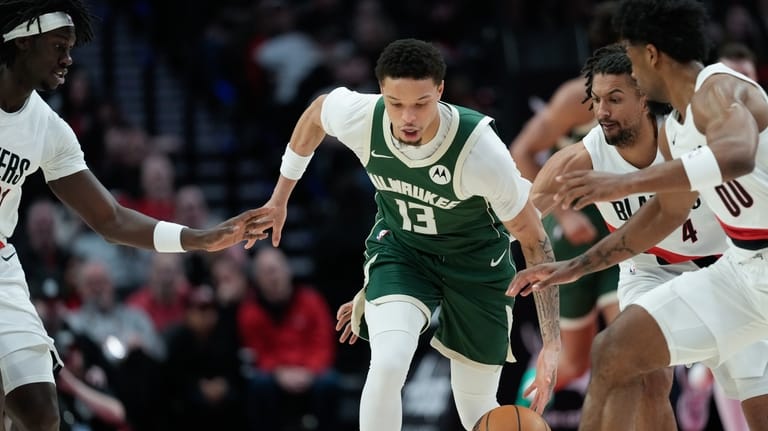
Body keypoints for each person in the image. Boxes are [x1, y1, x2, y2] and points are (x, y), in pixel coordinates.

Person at [0, 1, 273, 430]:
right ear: (21, 43)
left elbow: (110, 219)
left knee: (41, 413)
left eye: (70, 48)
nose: (68, 59)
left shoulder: (49, 129)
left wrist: (199, 239)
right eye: (57, 46)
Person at [263, 38, 560, 431]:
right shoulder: (363, 117)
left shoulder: (479, 152)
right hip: (403, 252)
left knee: (477, 411)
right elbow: (317, 113)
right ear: (381, 91)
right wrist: (279, 198)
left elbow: (535, 240)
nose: (408, 117)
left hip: (477, 265)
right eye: (395, 103)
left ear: (439, 91)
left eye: (420, 104)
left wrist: (551, 343)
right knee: (388, 362)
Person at [508, 0, 768, 429]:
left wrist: (624, 184)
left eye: (628, 56)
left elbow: (736, 155)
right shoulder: (677, 129)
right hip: (732, 271)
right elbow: (664, 213)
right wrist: (575, 266)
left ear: (650, 55)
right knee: (615, 350)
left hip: (733, 260)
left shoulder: (718, 89)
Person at [508, 1, 621, 399]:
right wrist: (562, 212)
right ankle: (515, 419)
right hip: (574, 232)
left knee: (631, 351)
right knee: (572, 362)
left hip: (622, 231)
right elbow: (520, 152)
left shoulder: (652, 95)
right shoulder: (579, 96)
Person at [238, 247, 338, 431]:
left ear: (288, 270)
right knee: (259, 384)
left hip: (310, 372)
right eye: (266, 273)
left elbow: (323, 344)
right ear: (257, 279)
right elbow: (256, 352)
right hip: (275, 375)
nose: (273, 277)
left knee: (329, 382)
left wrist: (309, 370)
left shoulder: (312, 301)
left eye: (275, 270)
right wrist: (279, 372)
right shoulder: (250, 311)